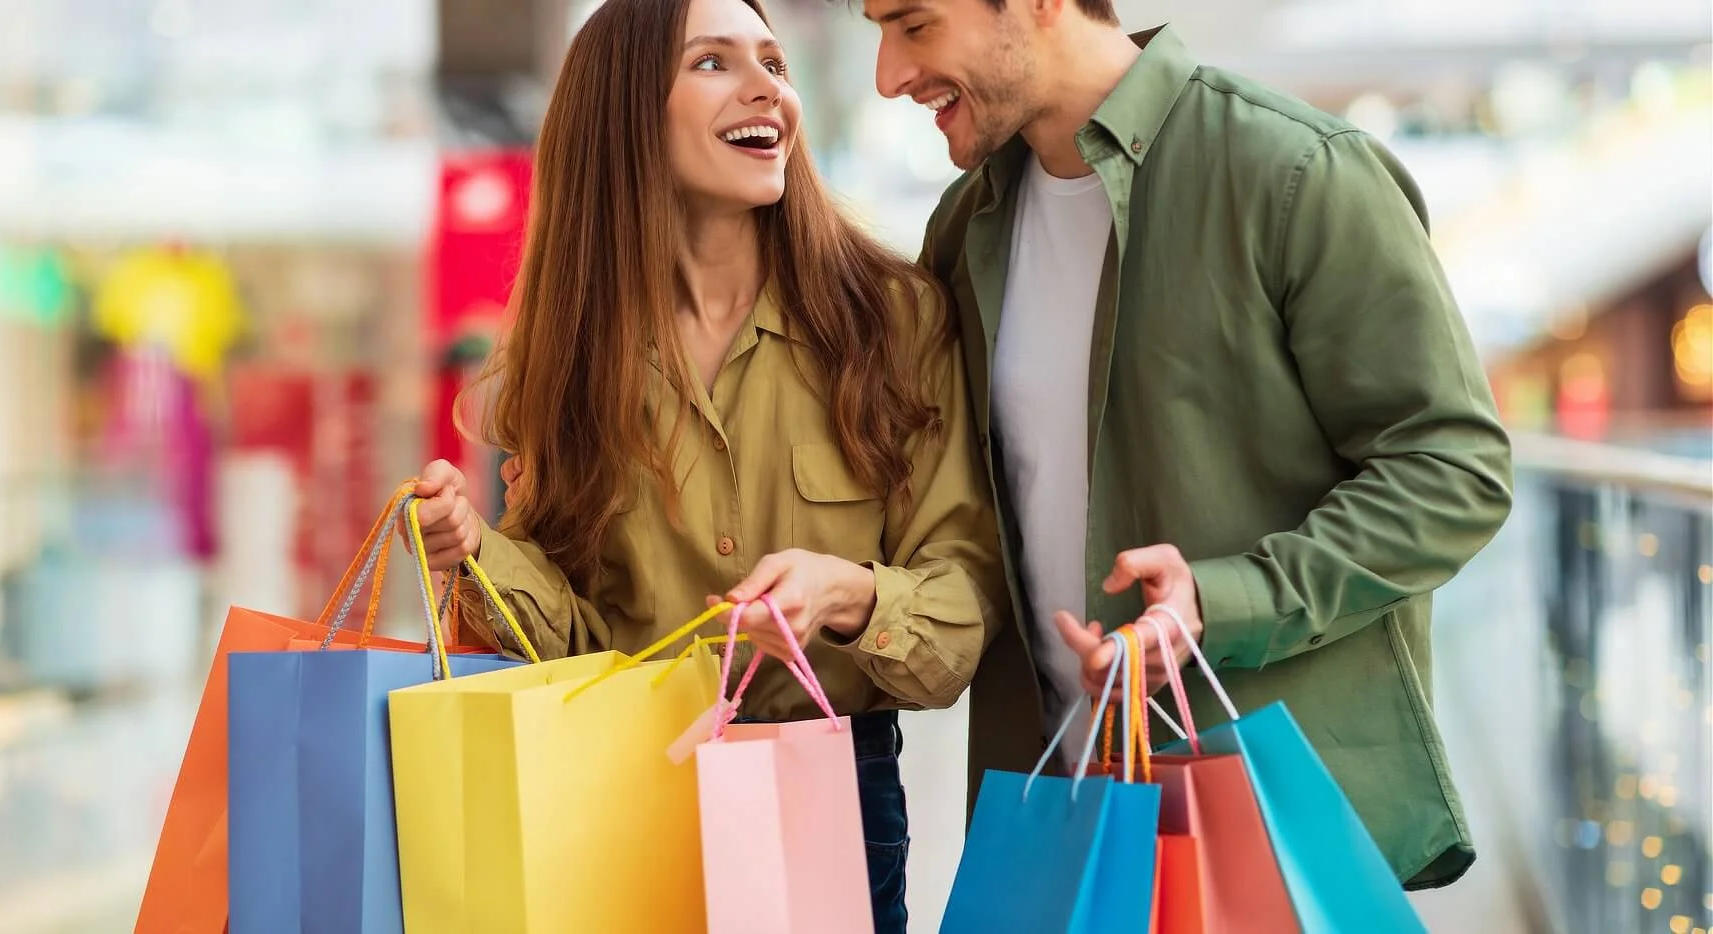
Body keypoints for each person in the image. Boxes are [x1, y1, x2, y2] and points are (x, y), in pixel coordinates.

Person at [862, 0, 1514, 890]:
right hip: (1061, 827)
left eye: (915, 25)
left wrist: (1222, 598)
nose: (888, 74)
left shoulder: (1295, 173)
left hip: (1266, 839)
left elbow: (1453, 471)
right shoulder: (963, 225)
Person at [407, 0, 1006, 927]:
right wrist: (473, 546)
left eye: (773, 60)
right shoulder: (566, 360)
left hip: (825, 784)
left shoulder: (892, 321)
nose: (768, 86)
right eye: (714, 63)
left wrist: (843, 596)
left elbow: (960, 615)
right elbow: (567, 638)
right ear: (628, 111)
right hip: (615, 788)